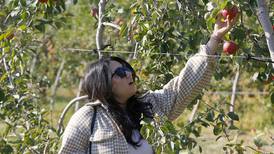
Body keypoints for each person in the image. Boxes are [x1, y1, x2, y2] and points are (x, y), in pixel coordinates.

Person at [59, 13, 238, 154]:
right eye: (120, 72)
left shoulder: (150, 106)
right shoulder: (88, 117)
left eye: (127, 69)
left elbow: (183, 85)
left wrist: (214, 39)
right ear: (103, 84)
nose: (129, 73)